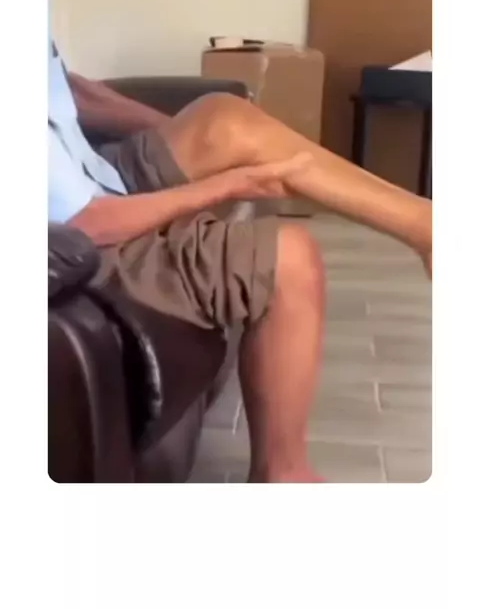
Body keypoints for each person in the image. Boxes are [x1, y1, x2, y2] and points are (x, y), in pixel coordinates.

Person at [49, 38, 432, 483]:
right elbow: (87, 224)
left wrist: (202, 137)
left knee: (225, 120)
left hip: (95, 173)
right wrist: (228, 184)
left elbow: (68, 90)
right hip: (77, 235)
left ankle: (427, 226)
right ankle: (282, 474)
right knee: (291, 258)